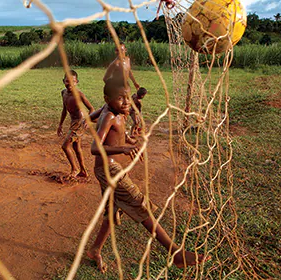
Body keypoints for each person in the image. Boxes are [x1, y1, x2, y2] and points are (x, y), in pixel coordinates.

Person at [87, 77, 209, 273]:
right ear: (107, 98)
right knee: (139, 203)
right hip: (109, 171)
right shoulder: (109, 115)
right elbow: (95, 148)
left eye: (128, 98)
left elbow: (110, 128)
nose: (126, 102)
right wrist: (124, 148)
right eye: (120, 99)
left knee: (112, 211)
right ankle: (175, 253)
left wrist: (128, 139)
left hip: (109, 169)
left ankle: (95, 250)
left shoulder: (117, 111)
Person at [57, 70, 95, 178]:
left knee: (65, 146)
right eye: (67, 81)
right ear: (63, 81)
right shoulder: (63, 93)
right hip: (73, 122)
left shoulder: (79, 95)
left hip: (80, 122)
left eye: (73, 81)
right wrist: (60, 125)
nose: (70, 84)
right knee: (76, 147)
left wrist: (88, 120)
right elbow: (64, 110)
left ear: (77, 82)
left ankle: (75, 169)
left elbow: (91, 108)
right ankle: (83, 170)